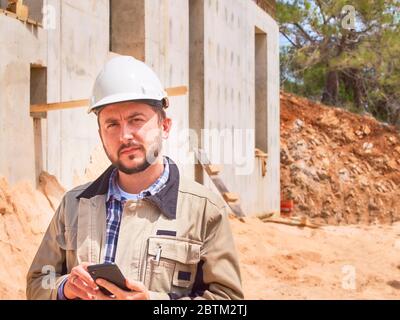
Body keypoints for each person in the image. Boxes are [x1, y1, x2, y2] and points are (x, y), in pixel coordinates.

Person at [26, 56, 243, 300]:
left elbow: (228, 301)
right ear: (100, 133)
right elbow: (38, 282)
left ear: (165, 126)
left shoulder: (204, 210)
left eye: (136, 120)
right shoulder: (74, 205)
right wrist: (64, 287)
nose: (125, 135)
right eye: (112, 125)